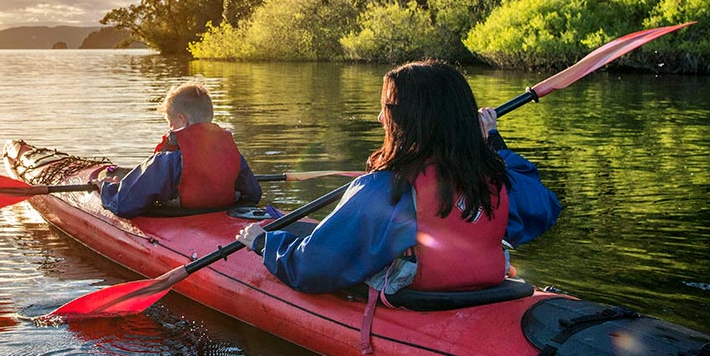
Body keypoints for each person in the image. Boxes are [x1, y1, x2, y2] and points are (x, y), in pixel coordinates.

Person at [236, 60, 560, 296]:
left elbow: (312, 268)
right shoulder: (492, 179)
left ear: (409, 121)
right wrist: (490, 144)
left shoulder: (384, 191)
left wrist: (264, 242)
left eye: (387, 108)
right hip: (487, 292)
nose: (380, 118)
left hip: (420, 302)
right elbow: (543, 205)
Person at [97, 83, 262, 218]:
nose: (170, 128)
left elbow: (124, 205)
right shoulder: (232, 153)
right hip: (221, 222)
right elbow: (253, 194)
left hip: (184, 221)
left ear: (182, 119)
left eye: (170, 122)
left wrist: (106, 188)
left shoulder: (168, 160)